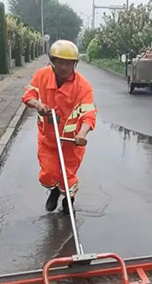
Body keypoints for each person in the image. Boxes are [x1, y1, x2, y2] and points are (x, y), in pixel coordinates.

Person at [22, 40, 97, 215]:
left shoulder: (83, 87)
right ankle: (54, 190)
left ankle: (68, 199)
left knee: (67, 176)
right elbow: (28, 95)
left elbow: (89, 114)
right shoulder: (41, 76)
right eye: (60, 62)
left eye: (68, 63)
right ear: (52, 62)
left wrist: (82, 134)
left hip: (71, 143)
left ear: (75, 64)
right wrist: (38, 105)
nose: (64, 67)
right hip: (48, 138)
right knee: (48, 173)